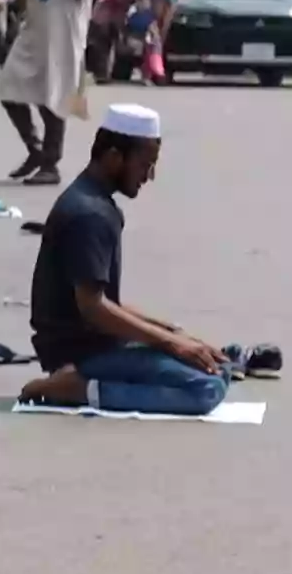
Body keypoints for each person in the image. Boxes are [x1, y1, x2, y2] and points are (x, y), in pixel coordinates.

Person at [17, 104, 244, 416]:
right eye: (144, 165)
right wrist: (171, 344)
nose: (149, 176)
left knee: (218, 367)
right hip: (80, 351)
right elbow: (93, 308)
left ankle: (95, 382)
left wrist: (175, 334)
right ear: (113, 158)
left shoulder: (97, 203)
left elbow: (110, 301)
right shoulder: (89, 213)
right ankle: (78, 389)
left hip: (99, 342)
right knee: (206, 388)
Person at [0, 0, 98, 183]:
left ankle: (51, 164)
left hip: (64, 31)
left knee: (54, 96)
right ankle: (35, 149)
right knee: (9, 88)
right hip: (34, 28)